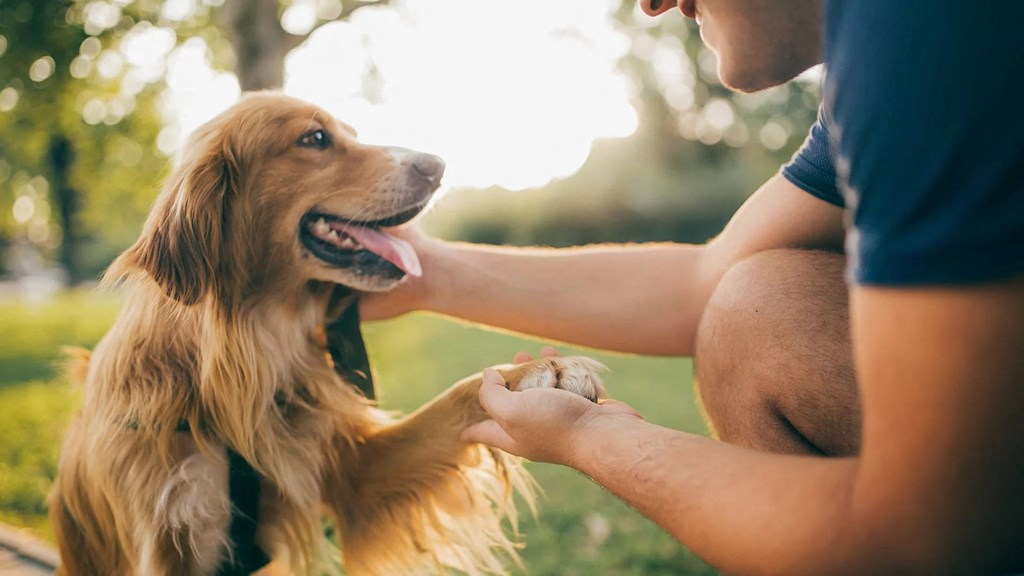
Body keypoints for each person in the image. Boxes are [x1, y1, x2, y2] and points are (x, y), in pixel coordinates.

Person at [362, 0, 1024, 572]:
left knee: (755, 314)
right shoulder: (885, 51)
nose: (649, 4)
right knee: (761, 308)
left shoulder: (926, 31)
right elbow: (703, 283)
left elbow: (920, 535)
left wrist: (591, 438)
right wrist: (427, 273)